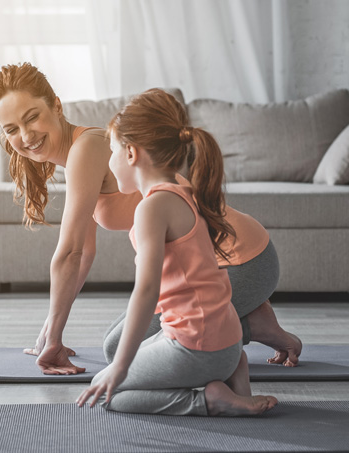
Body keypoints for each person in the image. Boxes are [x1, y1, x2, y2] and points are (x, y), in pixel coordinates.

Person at [0, 62, 299, 376]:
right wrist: (49, 333)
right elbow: (83, 254)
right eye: (11, 129)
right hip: (213, 269)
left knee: (119, 352)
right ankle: (246, 315)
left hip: (242, 261)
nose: (26, 135)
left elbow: (68, 253)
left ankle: (250, 324)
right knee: (116, 342)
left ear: (55, 105)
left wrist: (52, 337)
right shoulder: (81, 155)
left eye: (32, 117)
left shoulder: (87, 148)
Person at [76, 88, 277, 415]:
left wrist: (121, 368)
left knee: (108, 394)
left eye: (111, 151)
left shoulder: (151, 208)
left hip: (198, 345)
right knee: (118, 356)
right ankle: (231, 373)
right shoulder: (181, 190)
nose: (109, 162)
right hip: (222, 337)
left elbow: (146, 290)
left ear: (130, 153)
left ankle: (210, 399)